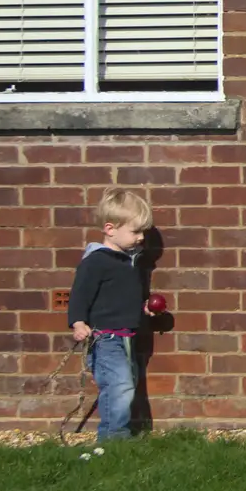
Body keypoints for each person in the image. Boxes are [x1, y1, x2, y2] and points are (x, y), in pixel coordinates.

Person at [67, 188, 155, 441]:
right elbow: (80, 294)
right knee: (118, 387)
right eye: (135, 231)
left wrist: (144, 308)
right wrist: (78, 322)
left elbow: (122, 297)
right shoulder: (96, 261)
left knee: (127, 384)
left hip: (127, 337)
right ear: (110, 228)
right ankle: (115, 437)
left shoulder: (127, 262)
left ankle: (113, 435)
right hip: (106, 339)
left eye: (143, 232)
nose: (140, 238)